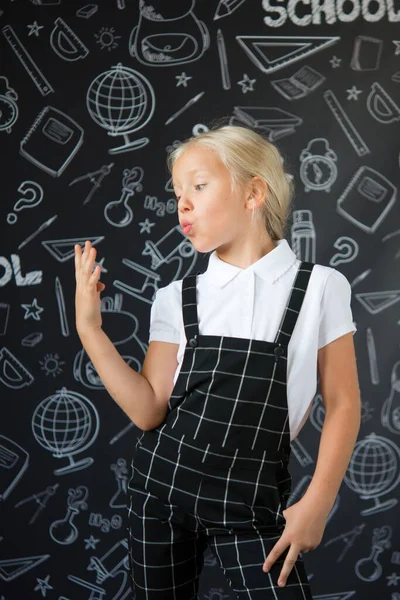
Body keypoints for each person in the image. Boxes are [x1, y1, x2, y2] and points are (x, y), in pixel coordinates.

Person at [74, 124, 361, 599]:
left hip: (252, 500)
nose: (182, 203)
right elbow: (149, 410)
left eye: (198, 186)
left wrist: (318, 502)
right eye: (177, 193)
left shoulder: (321, 287)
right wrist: (91, 330)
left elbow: (345, 403)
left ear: (253, 193)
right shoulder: (175, 298)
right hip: (160, 490)